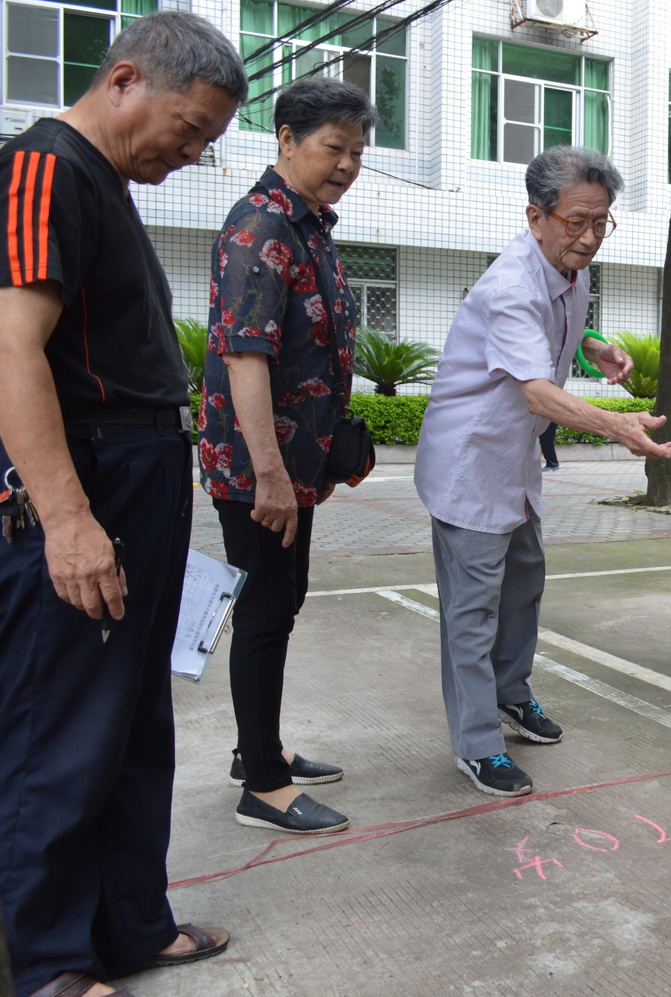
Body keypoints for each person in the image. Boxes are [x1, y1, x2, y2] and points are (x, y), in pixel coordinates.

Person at [0, 12, 246, 996]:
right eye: (185, 129)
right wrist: (64, 518)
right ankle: (50, 959)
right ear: (125, 80)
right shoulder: (45, 169)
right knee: (61, 725)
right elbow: (11, 350)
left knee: (136, 716)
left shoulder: (105, 180)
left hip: (140, 473)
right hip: (87, 477)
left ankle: (130, 922)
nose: (190, 153)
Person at [415, 147, 671, 796]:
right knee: (472, 611)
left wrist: (593, 347)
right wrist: (617, 424)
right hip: (471, 464)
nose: (589, 238)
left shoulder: (567, 270)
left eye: (601, 223)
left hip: (515, 461)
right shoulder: (511, 284)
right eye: (577, 222)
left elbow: (559, 331)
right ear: (536, 216)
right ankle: (477, 744)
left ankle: (511, 694)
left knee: (523, 584)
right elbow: (534, 389)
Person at [199, 77, 377, 836]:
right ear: (285, 139)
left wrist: (316, 465)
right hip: (255, 470)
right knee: (266, 613)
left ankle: (259, 747)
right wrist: (272, 473)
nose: (345, 163)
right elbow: (246, 357)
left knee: (279, 606)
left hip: (292, 468)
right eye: (333, 147)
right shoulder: (263, 227)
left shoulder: (310, 225)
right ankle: (262, 787)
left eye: (357, 152)